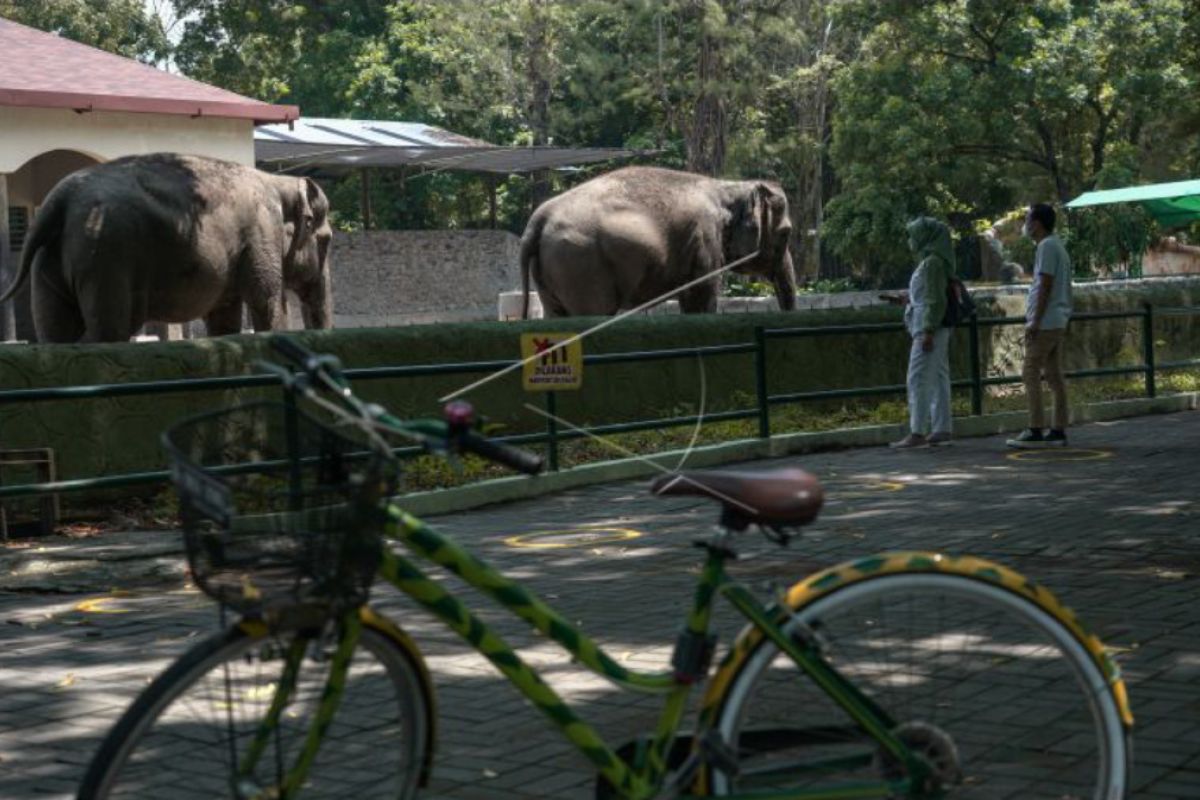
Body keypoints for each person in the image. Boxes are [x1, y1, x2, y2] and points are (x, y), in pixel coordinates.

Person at [1007, 203, 1073, 448]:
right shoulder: (1055, 246)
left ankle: (1035, 428)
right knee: (1054, 375)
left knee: (1030, 370)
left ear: (1037, 223)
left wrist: (1035, 320)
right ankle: (1058, 429)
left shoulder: (1046, 247)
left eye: (1027, 219)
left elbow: (1045, 284)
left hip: (1046, 322)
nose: (1025, 224)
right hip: (1057, 319)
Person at [889, 217, 954, 449]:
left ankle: (917, 432)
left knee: (917, 378)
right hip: (934, 327)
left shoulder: (932, 264)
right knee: (938, 377)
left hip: (929, 329)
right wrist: (907, 299)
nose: (911, 240)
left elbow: (935, 300)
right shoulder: (934, 261)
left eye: (913, 235)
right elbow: (929, 295)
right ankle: (942, 428)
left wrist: (927, 330)